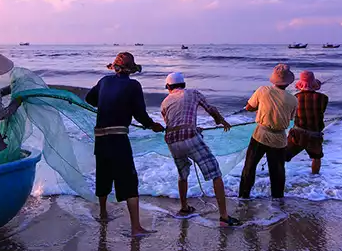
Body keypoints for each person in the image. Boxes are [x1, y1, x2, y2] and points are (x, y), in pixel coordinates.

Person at [86, 52, 164, 237]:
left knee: (103, 176)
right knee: (129, 181)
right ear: (131, 69)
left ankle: (103, 213)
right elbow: (140, 114)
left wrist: (107, 103)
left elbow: (90, 99)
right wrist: (152, 125)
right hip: (118, 138)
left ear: (114, 67)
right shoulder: (133, 85)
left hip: (100, 139)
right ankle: (136, 228)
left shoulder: (104, 81)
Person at [159, 72, 240, 226]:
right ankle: (224, 217)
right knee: (215, 173)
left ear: (168, 87)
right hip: (189, 136)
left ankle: (184, 208)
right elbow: (212, 109)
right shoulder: (193, 93)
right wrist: (220, 121)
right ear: (183, 84)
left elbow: (173, 124)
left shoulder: (164, 102)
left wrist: (194, 128)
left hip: (171, 140)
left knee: (182, 174)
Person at [238, 64, 298, 199]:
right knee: (277, 171)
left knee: (250, 166)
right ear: (288, 82)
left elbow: (249, 107)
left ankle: (243, 197)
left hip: (261, 135)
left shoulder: (262, 90)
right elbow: (290, 118)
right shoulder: (293, 99)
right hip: (279, 139)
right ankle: (277, 200)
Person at [285, 71, 329, 174]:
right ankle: (315, 178)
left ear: (300, 85)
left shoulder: (294, 98)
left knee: (283, 157)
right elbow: (321, 111)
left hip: (297, 135)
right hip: (315, 135)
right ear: (314, 84)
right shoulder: (323, 98)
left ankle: (278, 179)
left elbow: (291, 116)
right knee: (316, 158)